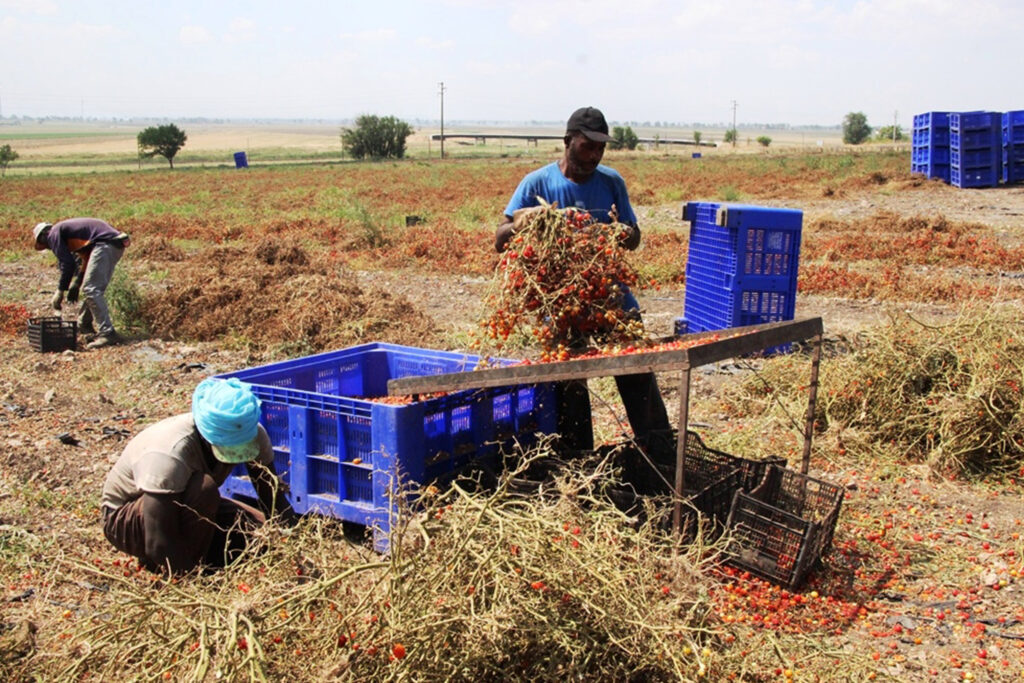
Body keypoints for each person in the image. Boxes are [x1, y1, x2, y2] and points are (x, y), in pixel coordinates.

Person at [496, 106, 672, 452]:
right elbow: (500, 240)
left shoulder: (612, 182)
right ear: (567, 141)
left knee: (636, 369)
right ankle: (579, 459)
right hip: (561, 302)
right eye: (587, 146)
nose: (594, 155)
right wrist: (524, 221)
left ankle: (660, 451)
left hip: (609, 296)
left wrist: (619, 232)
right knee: (569, 384)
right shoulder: (537, 183)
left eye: (600, 148)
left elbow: (634, 236)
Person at [101, 378, 296, 574]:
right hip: (132, 519)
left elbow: (273, 498)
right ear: (206, 436)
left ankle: (198, 556)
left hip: (184, 502)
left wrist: (294, 542)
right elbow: (157, 540)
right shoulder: (170, 452)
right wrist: (191, 579)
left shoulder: (251, 434)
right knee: (204, 488)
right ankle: (164, 565)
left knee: (259, 532)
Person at [33, 217, 130, 349]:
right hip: (112, 244)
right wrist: (77, 283)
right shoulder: (72, 236)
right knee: (92, 288)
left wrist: (60, 291)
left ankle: (108, 333)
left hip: (106, 244)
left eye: (47, 245)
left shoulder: (53, 233)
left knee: (91, 289)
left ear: (43, 235)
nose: (50, 248)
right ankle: (84, 324)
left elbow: (68, 264)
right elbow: (88, 258)